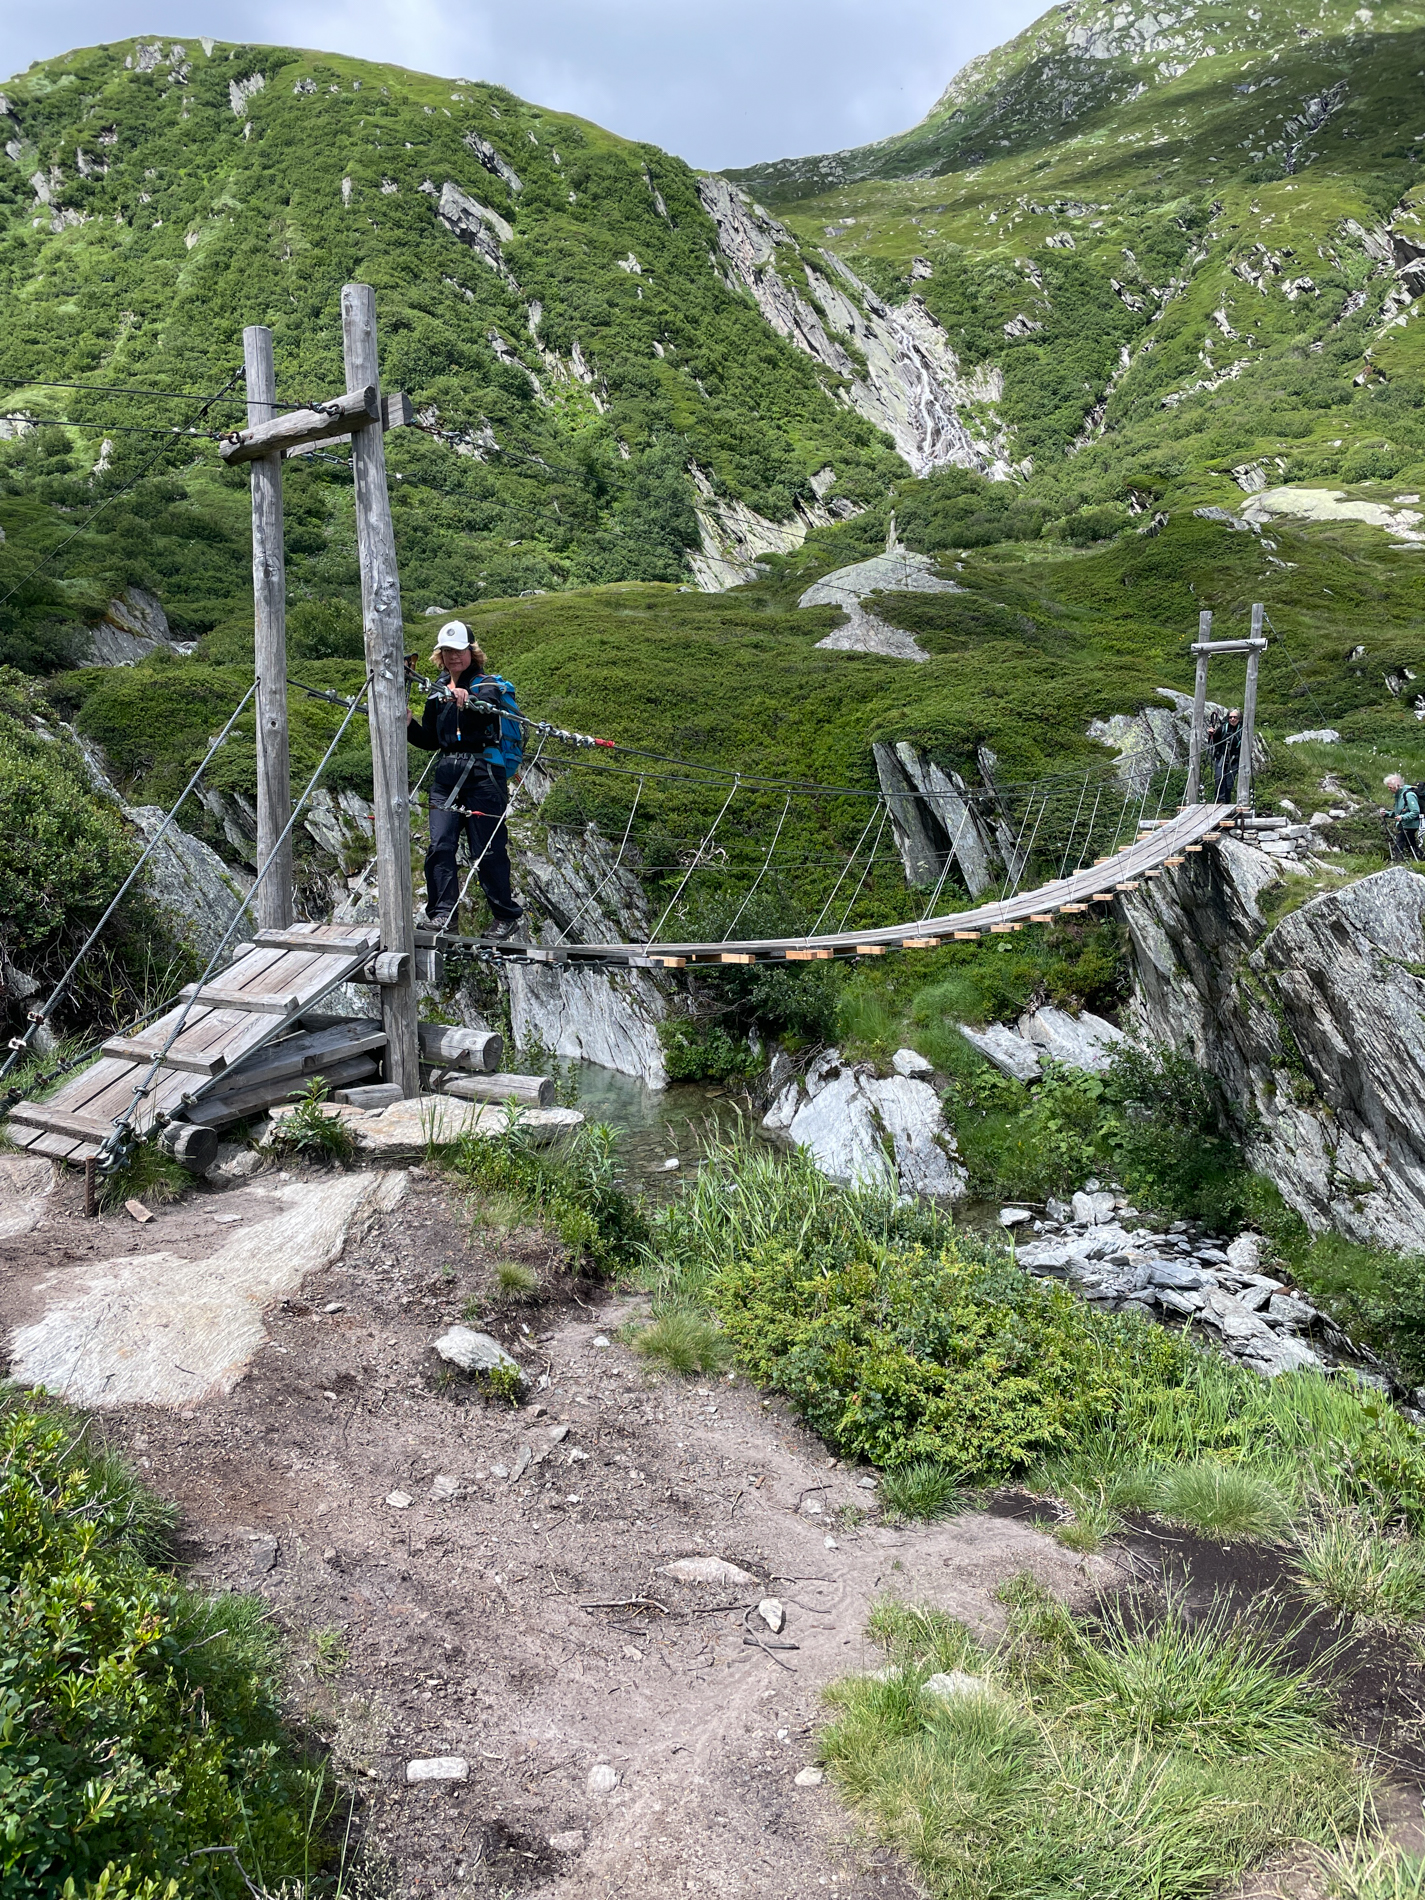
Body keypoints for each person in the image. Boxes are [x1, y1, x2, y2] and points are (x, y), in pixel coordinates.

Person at [407, 621, 524, 939]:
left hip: (483, 775)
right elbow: (432, 740)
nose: (453, 656)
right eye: (447, 651)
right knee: (439, 845)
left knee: (487, 849)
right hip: (447, 775)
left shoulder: (487, 684)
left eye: (459, 650)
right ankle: (442, 917)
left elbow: (487, 710)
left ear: (472, 652)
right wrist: (409, 726)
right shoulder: (437, 690)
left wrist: (465, 697)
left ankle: (505, 916)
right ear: (440, 655)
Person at [1207, 706, 1243, 803]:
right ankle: (1220, 800)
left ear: (1239, 718)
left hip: (1234, 760)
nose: (1232, 719)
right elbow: (1214, 741)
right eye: (1230, 717)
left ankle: (1226, 802)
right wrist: (1212, 734)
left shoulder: (1242, 730)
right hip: (1221, 757)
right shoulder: (1223, 728)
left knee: (1229, 783)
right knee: (1219, 778)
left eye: (1235, 717)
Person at [1385, 773, 1422, 859]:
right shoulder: (1398, 796)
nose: (1388, 789)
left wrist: (1403, 817)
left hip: (1410, 825)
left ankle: (1398, 861)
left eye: (1390, 787)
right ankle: (1421, 858)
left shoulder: (1409, 795)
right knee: (1411, 845)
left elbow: (1415, 811)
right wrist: (1386, 813)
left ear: (1397, 786)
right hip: (1405, 824)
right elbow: (1399, 812)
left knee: (1399, 844)